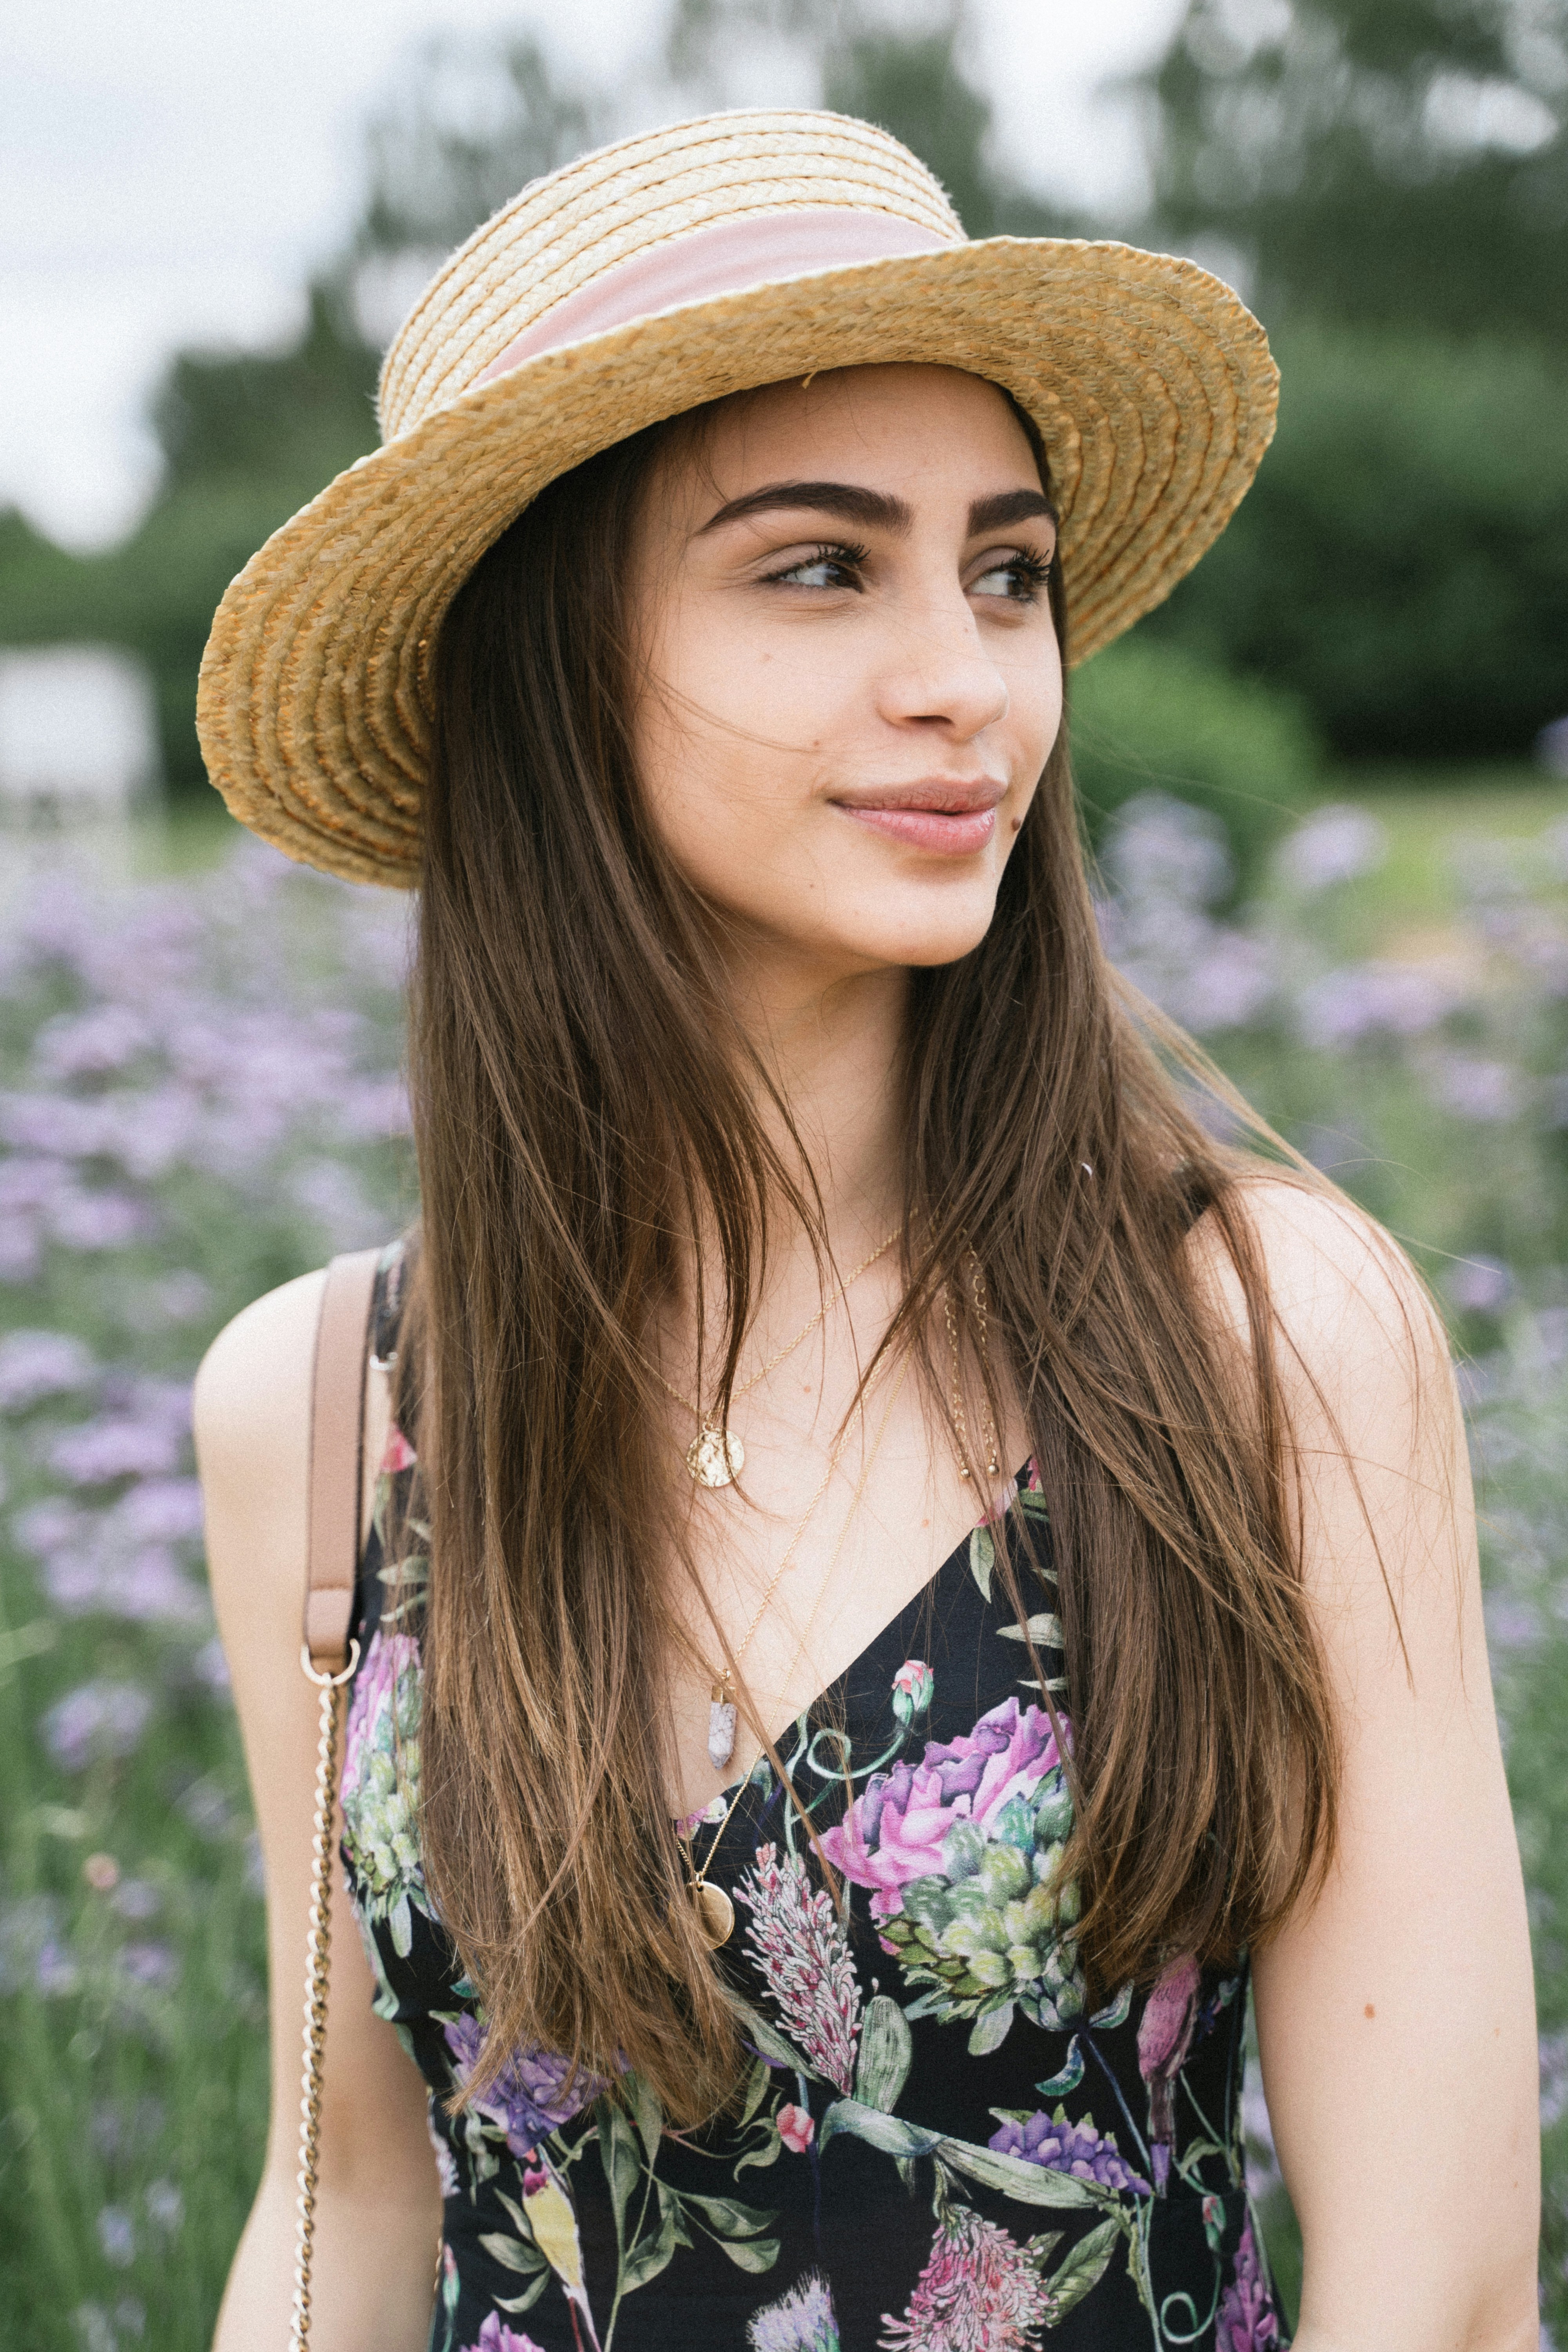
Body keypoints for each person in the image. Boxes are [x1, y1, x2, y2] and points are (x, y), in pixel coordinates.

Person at [192, 109, 1539, 2352]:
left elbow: (1446, 2290)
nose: (968, 679)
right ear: (549, 663)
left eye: (1006, 574)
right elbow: (338, 2198)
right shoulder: (326, 1414)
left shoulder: (1254, 1335)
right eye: (821, 569)